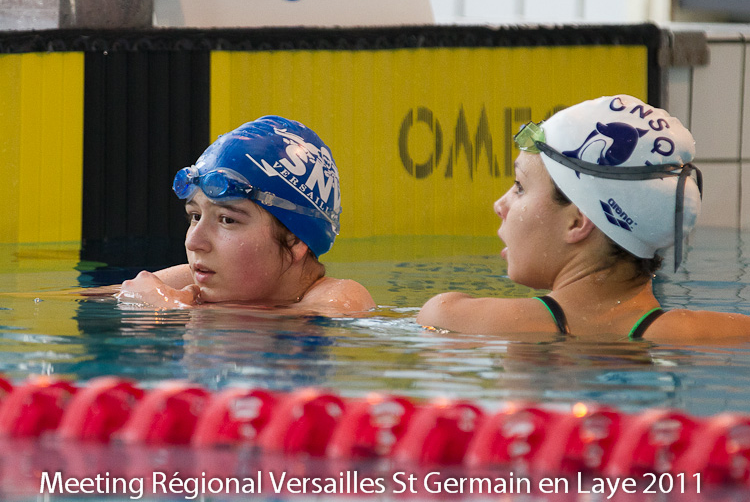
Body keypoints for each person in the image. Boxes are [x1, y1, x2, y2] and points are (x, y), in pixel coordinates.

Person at [417, 94, 750, 343]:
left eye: (520, 187)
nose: (499, 204)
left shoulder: (454, 317)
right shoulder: (712, 335)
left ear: (577, 222)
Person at [115, 116, 374, 315]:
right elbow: (93, 298)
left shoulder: (339, 298)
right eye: (195, 216)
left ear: (295, 239)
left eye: (227, 220)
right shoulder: (195, 279)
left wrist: (173, 308)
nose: (194, 242)